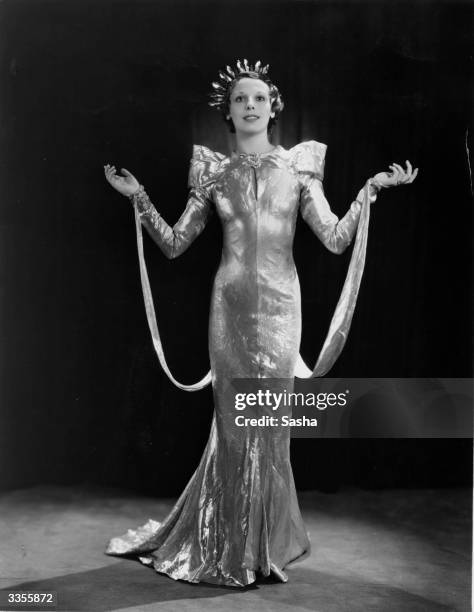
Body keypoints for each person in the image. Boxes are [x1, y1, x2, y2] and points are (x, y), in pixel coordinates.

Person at [103, 59, 418, 587]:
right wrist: (139, 198)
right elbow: (176, 242)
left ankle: (263, 545)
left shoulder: (298, 169)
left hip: (280, 311)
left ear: (273, 107)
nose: (249, 105)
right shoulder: (213, 174)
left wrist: (369, 191)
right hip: (227, 311)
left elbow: (336, 238)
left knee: (270, 426)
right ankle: (228, 545)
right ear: (227, 113)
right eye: (239, 99)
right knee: (232, 424)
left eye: (258, 98)